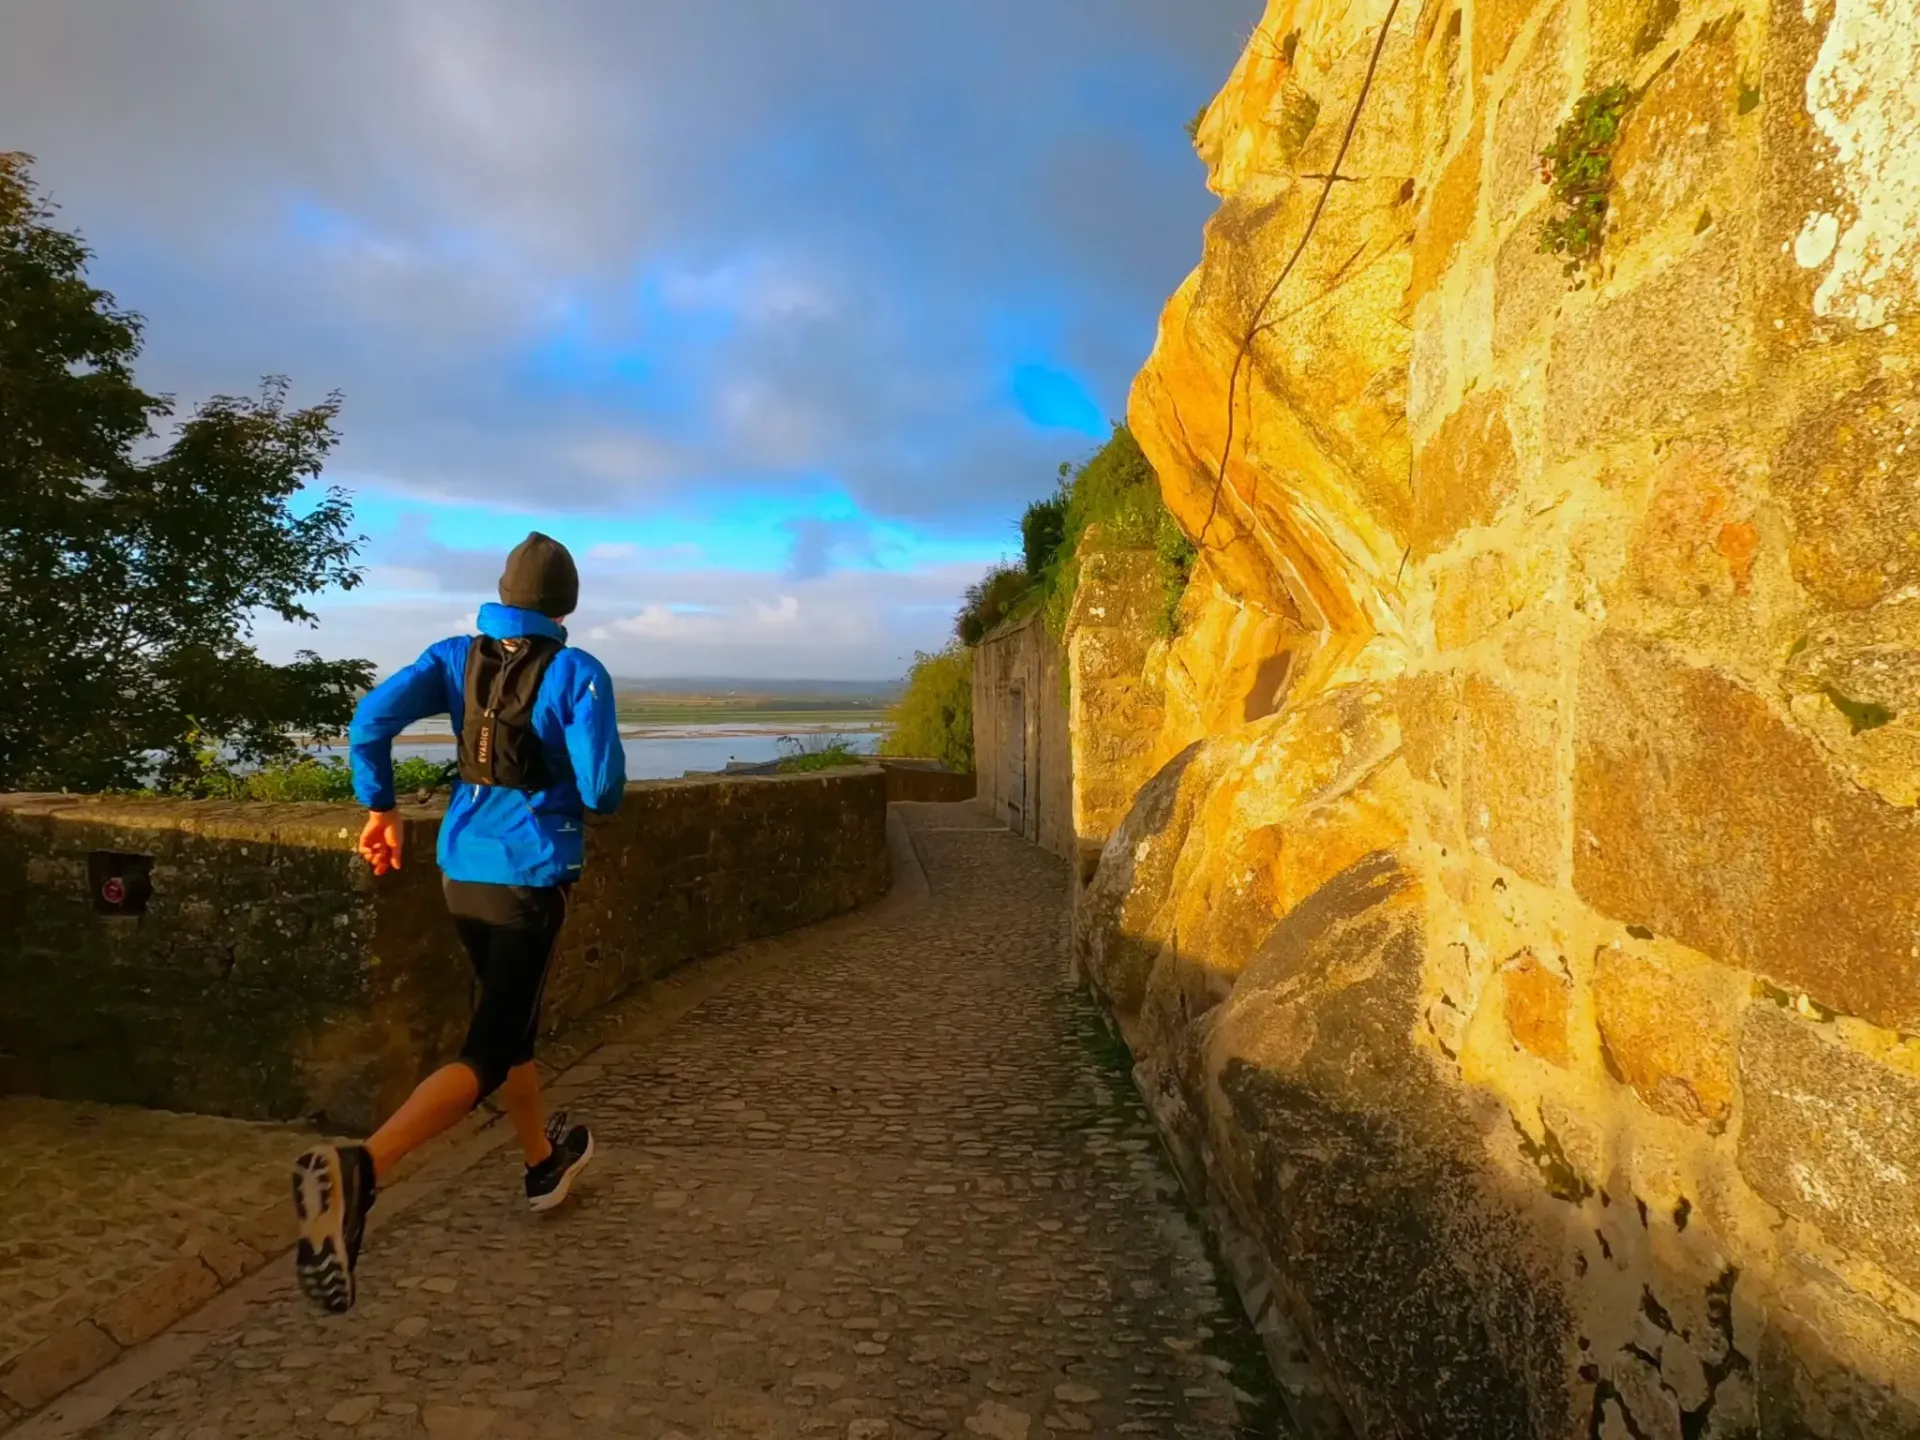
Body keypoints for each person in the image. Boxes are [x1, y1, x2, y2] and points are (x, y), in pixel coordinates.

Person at [291, 532, 627, 1315]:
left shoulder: (452, 657)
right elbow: (605, 790)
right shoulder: (576, 673)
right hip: (529, 877)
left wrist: (380, 806)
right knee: (485, 1050)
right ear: (565, 605)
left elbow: (369, 720)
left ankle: (543, 1161)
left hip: (460, 872)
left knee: (510, 1024)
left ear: (502, 592)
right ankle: (359, 1171)